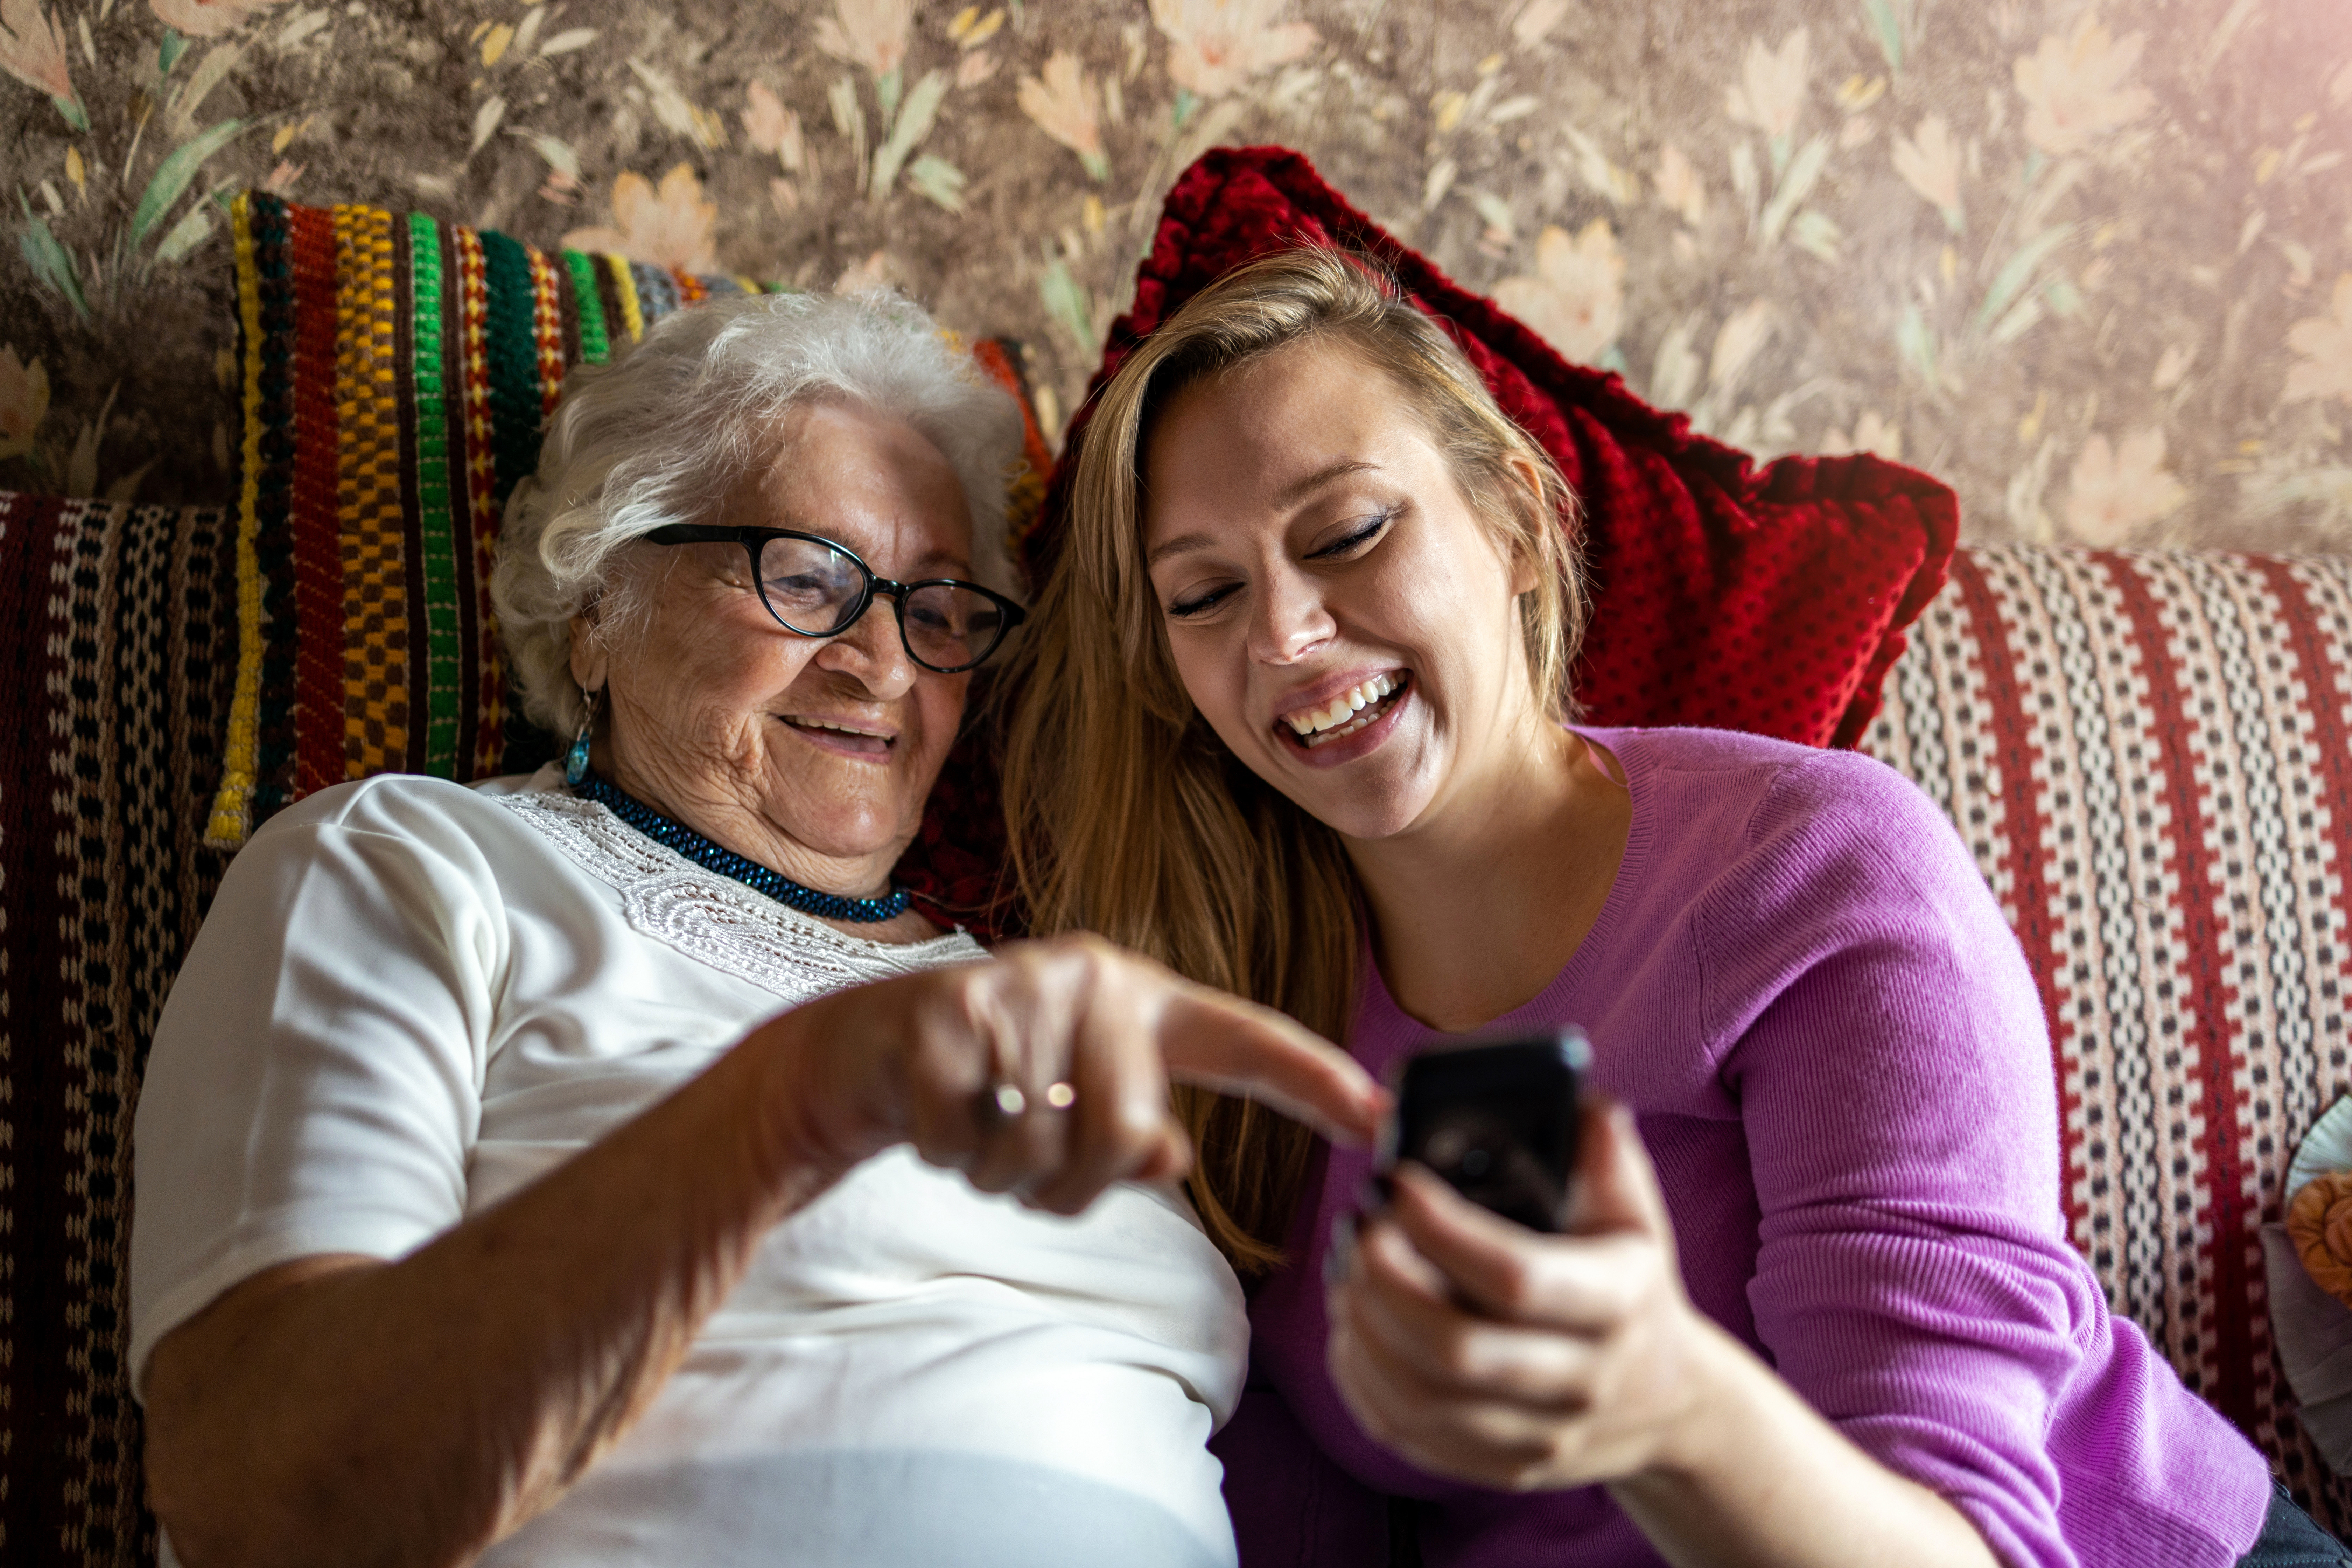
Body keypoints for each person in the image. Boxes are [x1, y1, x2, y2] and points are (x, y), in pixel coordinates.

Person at [1001, 247, 2328, 1568]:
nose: (1283, 635)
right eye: (1207, 593)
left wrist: (1658, 1402)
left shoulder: (1817, 872)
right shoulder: (1224, 991)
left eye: (1348, 532)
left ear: (1515, 526)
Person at [127, 288, 1383, 1568]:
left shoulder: (1049, 993)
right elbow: (261, 1494)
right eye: (806, 577)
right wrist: (786, 1109)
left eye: (939, 609)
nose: (883, 663)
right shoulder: (418, 868)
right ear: (599, 603)